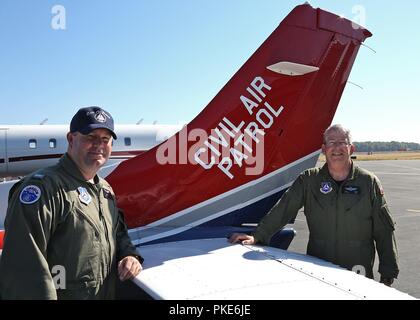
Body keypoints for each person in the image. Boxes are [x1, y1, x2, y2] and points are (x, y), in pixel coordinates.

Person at [0, 106, 143, 299]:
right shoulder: (44, 189)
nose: (98, 145)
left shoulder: (104, 190)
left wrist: (129, 254)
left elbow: (116, 230)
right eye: (90, 137)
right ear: (71, 139)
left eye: (105, 139)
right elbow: (24, 270)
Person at [229, 124, 399, 286]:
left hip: (357, 272)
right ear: (324, 149)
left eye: (342, 142)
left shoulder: (368, 182)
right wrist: (257, 235)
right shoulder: (309, 180)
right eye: (331, 142)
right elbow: (283, 209)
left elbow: (383, 230)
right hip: (318, 269)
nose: (337, 148)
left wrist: (387, 276)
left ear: (351, 149)